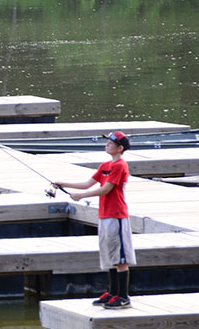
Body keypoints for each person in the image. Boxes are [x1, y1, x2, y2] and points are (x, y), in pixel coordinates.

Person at [52, 131, 136, 309]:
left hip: (117, 215)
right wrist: (63, 184)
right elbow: (87, 183)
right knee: (110, 255)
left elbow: (105, 189)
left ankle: (123, 297)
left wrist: (81, 197)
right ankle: (112, 293)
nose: (107, 144)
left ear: (120, 148)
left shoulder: (120, 165)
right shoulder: (105, 165)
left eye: (111, 142)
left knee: (120, 258)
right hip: (104, 215)